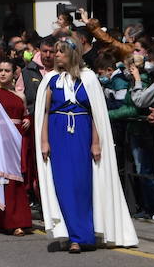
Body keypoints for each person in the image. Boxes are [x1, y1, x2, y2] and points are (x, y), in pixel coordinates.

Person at [36, 38, 137, 252]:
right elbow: (44, 113)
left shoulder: (89, 78)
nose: (56, 55)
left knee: (82, 185)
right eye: (55, 51)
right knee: (63, 185)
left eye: (60, 52)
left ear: (72, 54)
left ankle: (85, 234)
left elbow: (96, 114)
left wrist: (96, 142)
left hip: (82, 134)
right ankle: (74, 237)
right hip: (57, 134)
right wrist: (44, 141)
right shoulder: (51, 80)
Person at [0, 57, 33, 235]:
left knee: (17, 179)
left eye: (7, 70)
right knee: (2, 180)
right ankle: (5, 221)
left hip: (17, 139)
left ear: (14, 74)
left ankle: (20, 219)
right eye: (0, 70)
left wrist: (27, 120)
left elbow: (25, 113)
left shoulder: (19, 95)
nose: (3, 73)